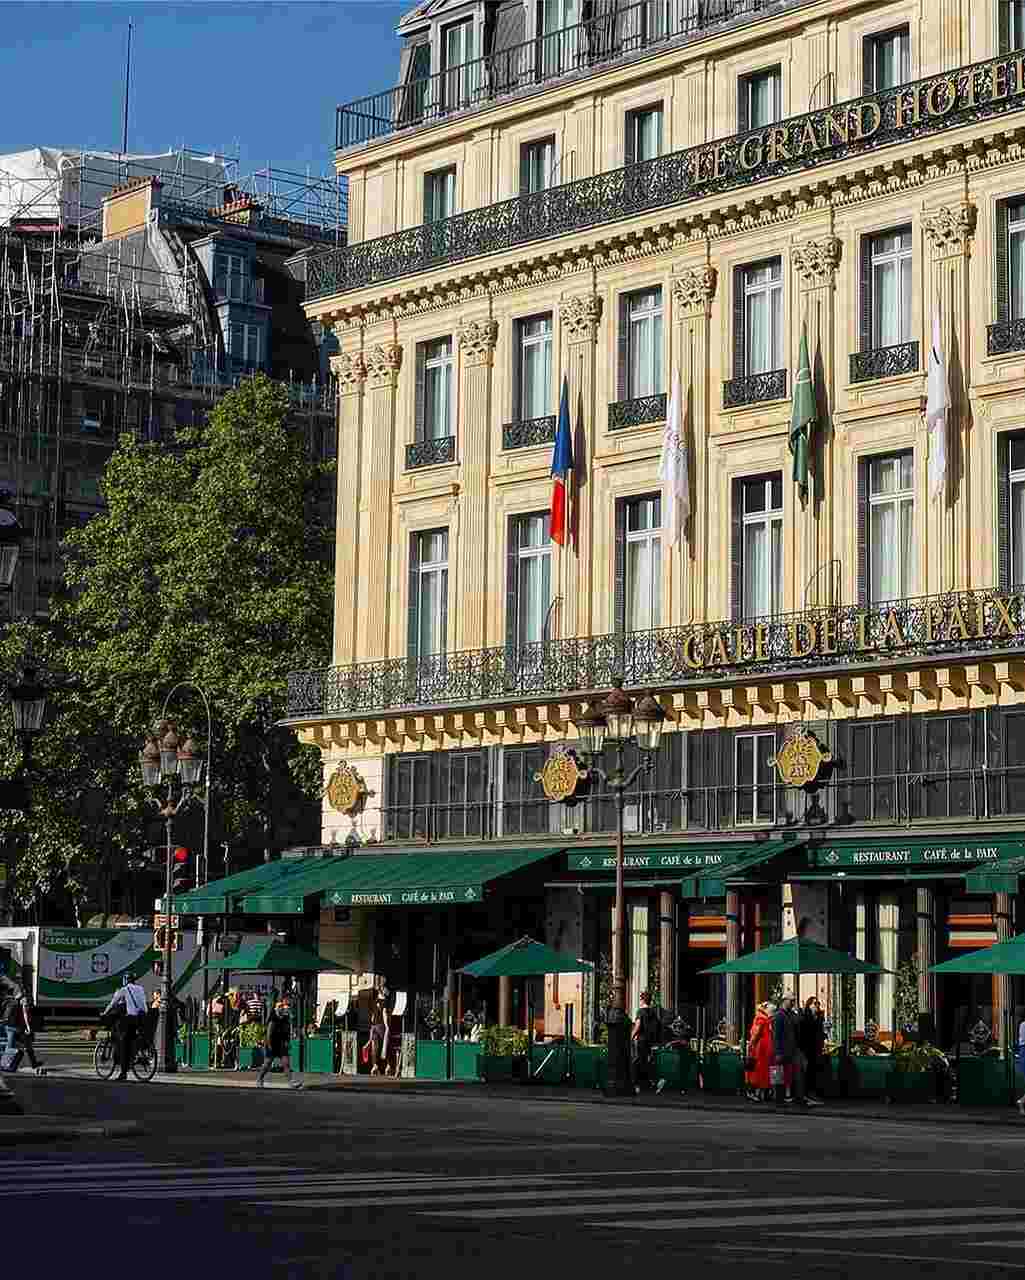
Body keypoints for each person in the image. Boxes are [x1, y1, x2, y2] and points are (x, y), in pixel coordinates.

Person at [101, 974, 147, 1081]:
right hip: (142, 1018)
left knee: (123, 1043)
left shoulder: (124, 990)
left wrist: (105, 1013)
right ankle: (135, 1056)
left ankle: (123, 1073)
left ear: (125, 981)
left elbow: (113, 1003)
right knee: (132, 1039)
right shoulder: (140, 988)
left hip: (131, 1019)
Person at [258, 998, 302, 1089]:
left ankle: (291, 1082)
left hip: (282, 1043)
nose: (281, 1008)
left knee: (286, 1063)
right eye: (279, 1006)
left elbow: (287, 1032)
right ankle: (260, 1079)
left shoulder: (285, 1018)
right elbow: (269, 1034)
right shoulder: (273, 1018)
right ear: (275, 1008)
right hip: (272, 1043)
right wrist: (269, 1046)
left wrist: (288, 1042)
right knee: (267, 1064)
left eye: (282, 1006)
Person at [745, 1001, 776, 1102]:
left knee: (763, 1072)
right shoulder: (761, 1019)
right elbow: (755, 1035)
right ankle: (755, 1092)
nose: (772, 1013)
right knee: (758, 1072)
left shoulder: (763, 1019)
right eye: (772, 1011)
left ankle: (762, 1093)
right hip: (761, 1050)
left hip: (763, 1049)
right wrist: (751, 1046)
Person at [798, 996, 827, 1102]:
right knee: (808, 1073)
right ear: (809, 1005)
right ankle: (806, 1094)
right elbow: (802, 1035)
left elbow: (821, 1033)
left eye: (818, 1003)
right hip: (807, 1050)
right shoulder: (805, 1018)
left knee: (815, 1072)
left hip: (817, 1049)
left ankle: (813, 1093)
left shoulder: (819, 1018)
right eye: (815, 1004)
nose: (817, 1006)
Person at [631, 990, 659, 1094]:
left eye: (641, 999)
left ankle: (636, 1084)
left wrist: (631, 1036)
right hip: (649, 1041)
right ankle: (646, 1084)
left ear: (642, 1000)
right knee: (646, 1062)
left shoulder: (640, 1012)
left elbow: (638, 1026)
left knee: (636, 1062)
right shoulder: (653, 1012)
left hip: (641, 1040)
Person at [369, 986, 388, 1076]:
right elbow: (384, 1014)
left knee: (374, 1047)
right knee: (384, 1045)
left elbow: (372, 1016)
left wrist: (371, 1026)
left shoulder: (375, 1001)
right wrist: (387, 1026)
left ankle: (375, 1065)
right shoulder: (385, 1002)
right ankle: (387, 1065)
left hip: (374, 1026)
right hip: (381, 1025)